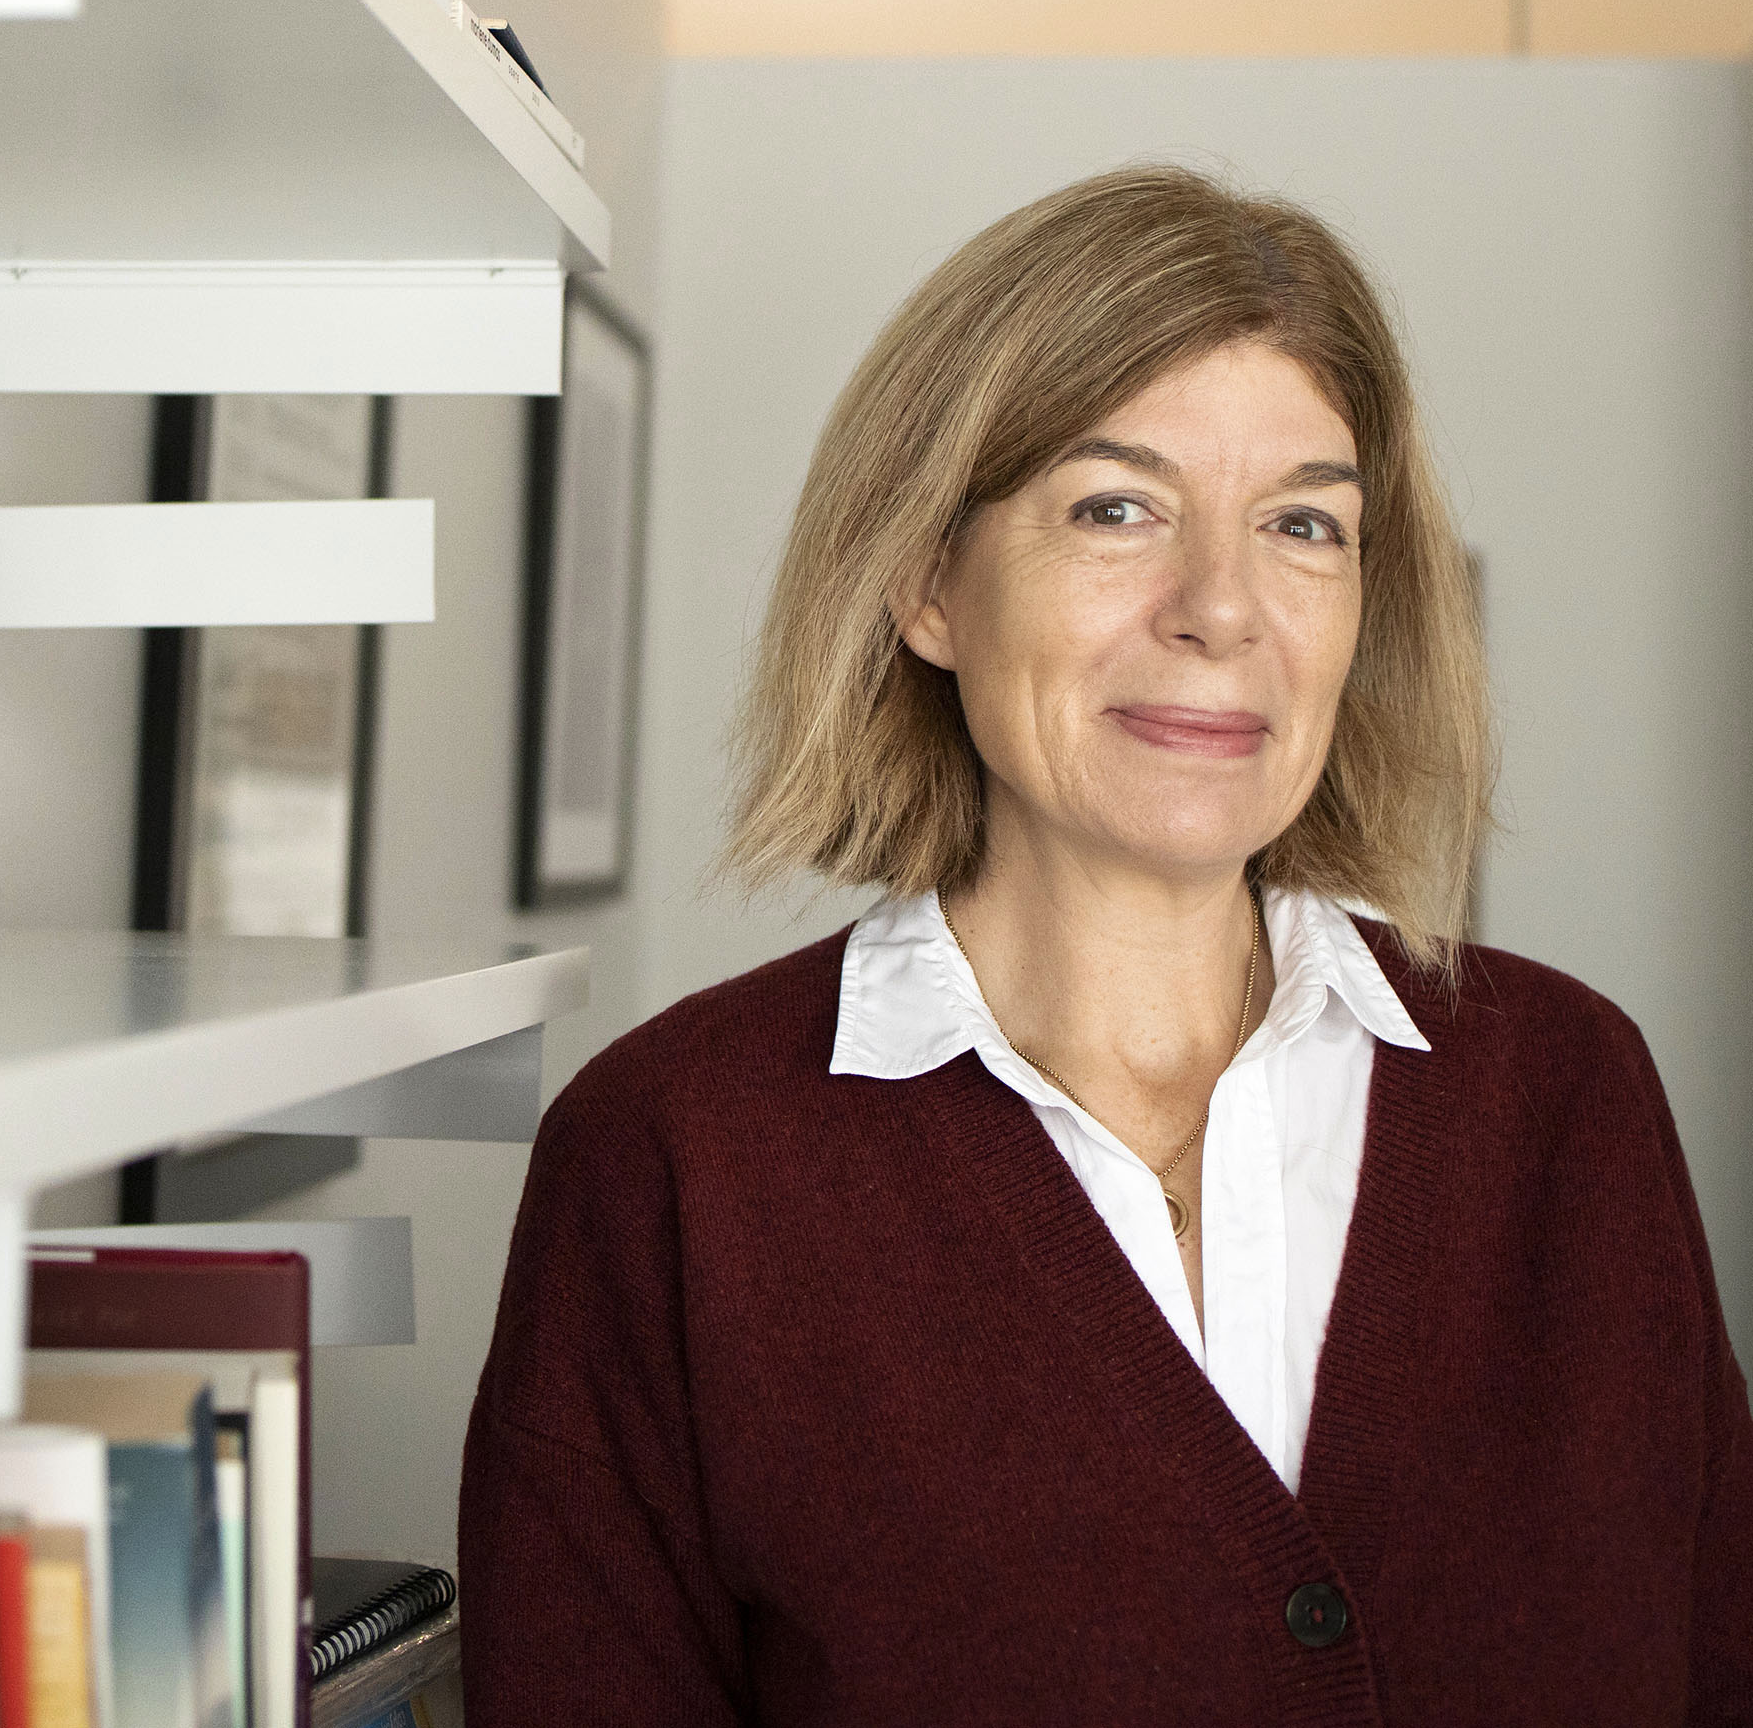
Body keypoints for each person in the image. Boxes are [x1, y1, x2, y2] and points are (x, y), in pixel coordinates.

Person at [461, 165, 1751, 1723]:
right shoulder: (676, 1155)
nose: (1223, 608)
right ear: (926, 580)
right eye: (1116, 508)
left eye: (1304, 525)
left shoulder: (1571, 1096)